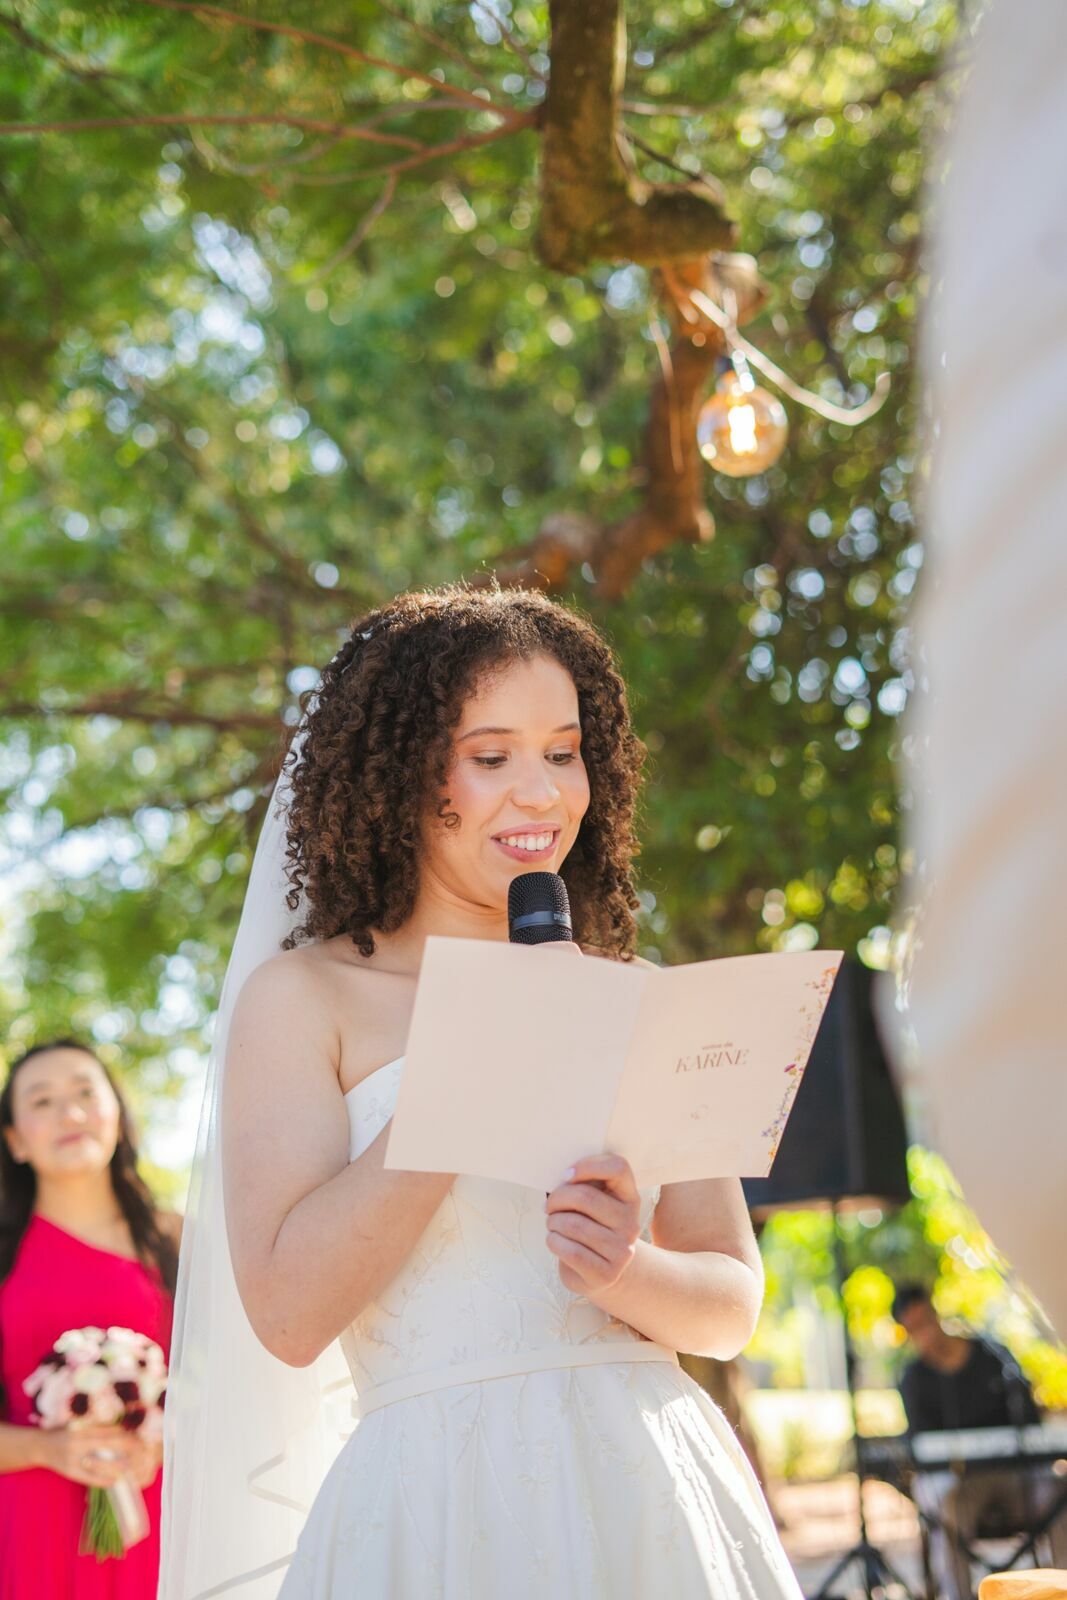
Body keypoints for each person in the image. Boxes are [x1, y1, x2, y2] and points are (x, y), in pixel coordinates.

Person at [161, 585, 803, 1600]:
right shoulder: (305, 998)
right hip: (433, 1512)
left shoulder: (631, 994)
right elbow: (286, 1315)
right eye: (491, 756)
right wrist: (469, 1069)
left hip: (645, 1492)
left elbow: (728, 1303)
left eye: (562, 752)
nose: (540, 793)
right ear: (402, 773)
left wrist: (624, 1270)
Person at [0, 1039, 179, 1598]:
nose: (70, 1113)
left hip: (167, 1522)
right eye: (43, 1101)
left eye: (84, 1092)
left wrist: (165, 1437)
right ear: (14, 1141)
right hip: (28, 1535)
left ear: (118, 1116)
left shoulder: (180, 1241)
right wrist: (46, 1448)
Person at [892, 1284, 1067, 1600]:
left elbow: (1027, 1416)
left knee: (1058, 1492)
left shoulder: (991, 1354)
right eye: (915, 1328)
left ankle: (1059, 1589)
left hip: (1015, 1477)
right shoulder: (914, 1378)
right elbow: (922, 1443)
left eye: (926, 1321)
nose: (926, 1334)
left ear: (936, 1313)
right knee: (944, 1506)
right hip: (960, 1485)